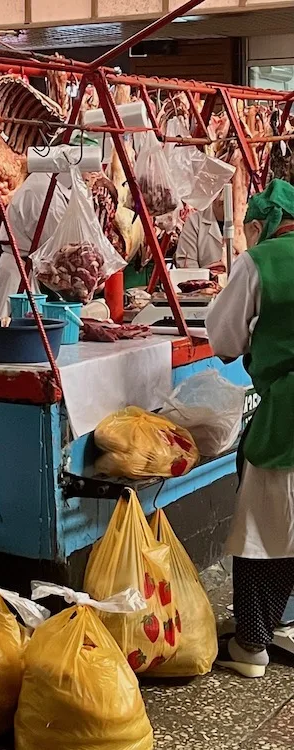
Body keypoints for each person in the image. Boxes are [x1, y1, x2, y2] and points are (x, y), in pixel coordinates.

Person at [207, 179, 294, 678]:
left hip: (286, 411)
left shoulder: (261, 262)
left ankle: (251, 643)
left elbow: (223, 336)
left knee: (260, 525)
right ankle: (274, 622)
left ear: (262, 225)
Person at [0, 171, 71, 319]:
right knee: (10, 334)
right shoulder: (43, 190)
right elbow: (58, 249)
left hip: (26, 269)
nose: (91, 175)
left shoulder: (51, 184)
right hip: (17, 275)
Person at [175, 197, 227, 269]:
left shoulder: (247, 223)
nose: (222, 199)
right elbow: (187, 266)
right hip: (205, 278)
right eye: (220, 191)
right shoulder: (194, 221)